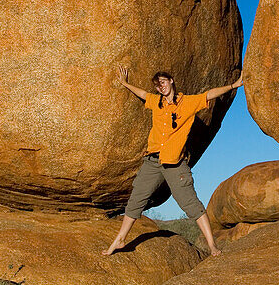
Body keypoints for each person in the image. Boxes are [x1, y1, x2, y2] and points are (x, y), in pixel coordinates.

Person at [102, 67, 243, 257]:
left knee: (191, 204)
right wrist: (125, 84)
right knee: (136, 200)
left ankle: (212, 246)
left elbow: (208, 94)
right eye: (158, 85)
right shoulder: (156, 102)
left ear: (171, 81)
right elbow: (143, 94)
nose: (161, 87)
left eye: (163, 82)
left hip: (175, 164)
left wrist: (234, 85)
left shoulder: (188, 103)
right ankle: (120, 239)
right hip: (152, 161)